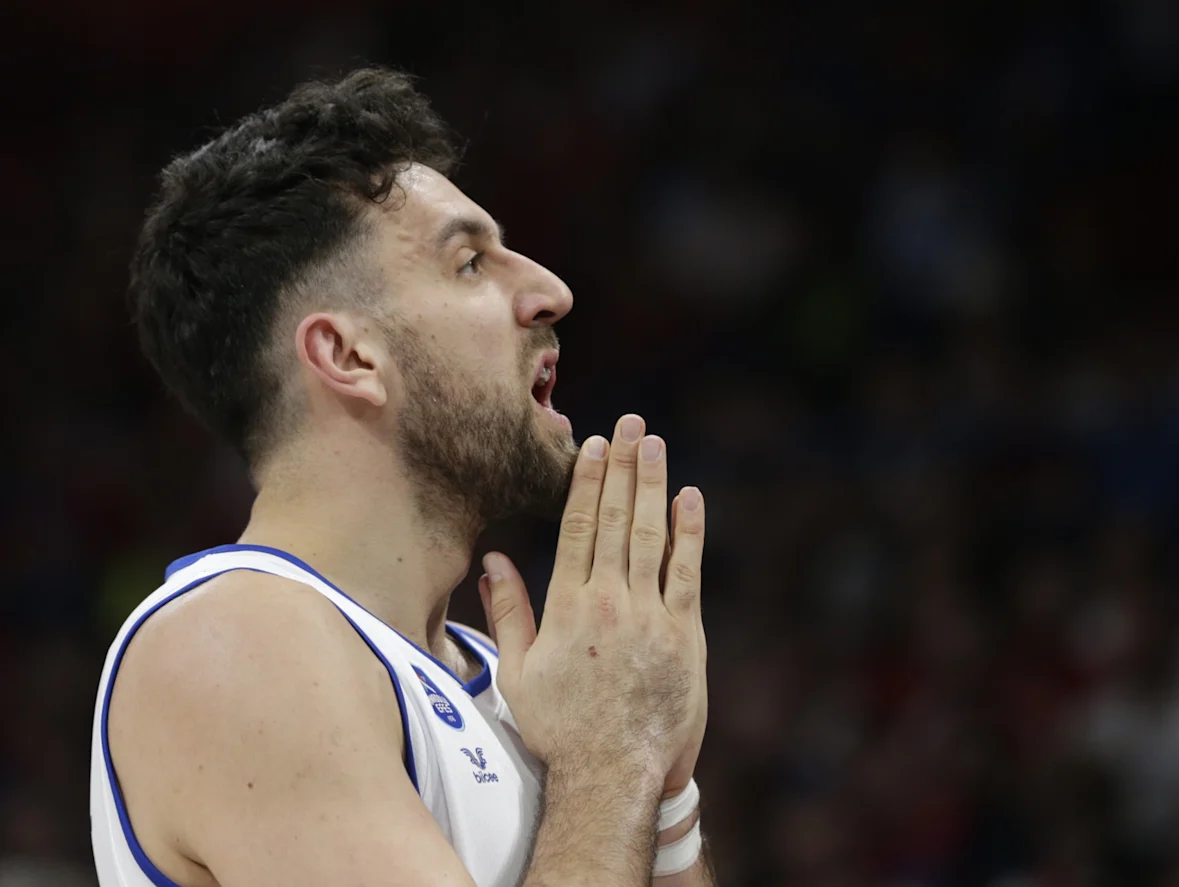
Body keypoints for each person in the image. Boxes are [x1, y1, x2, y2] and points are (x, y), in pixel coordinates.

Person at [89, 67, 713, 887]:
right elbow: (605, 767)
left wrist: (662, 790)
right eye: (470, 263)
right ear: (348, 356)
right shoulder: (230, 641)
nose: (549, 291)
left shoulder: (524, 684)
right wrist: (615, 758)